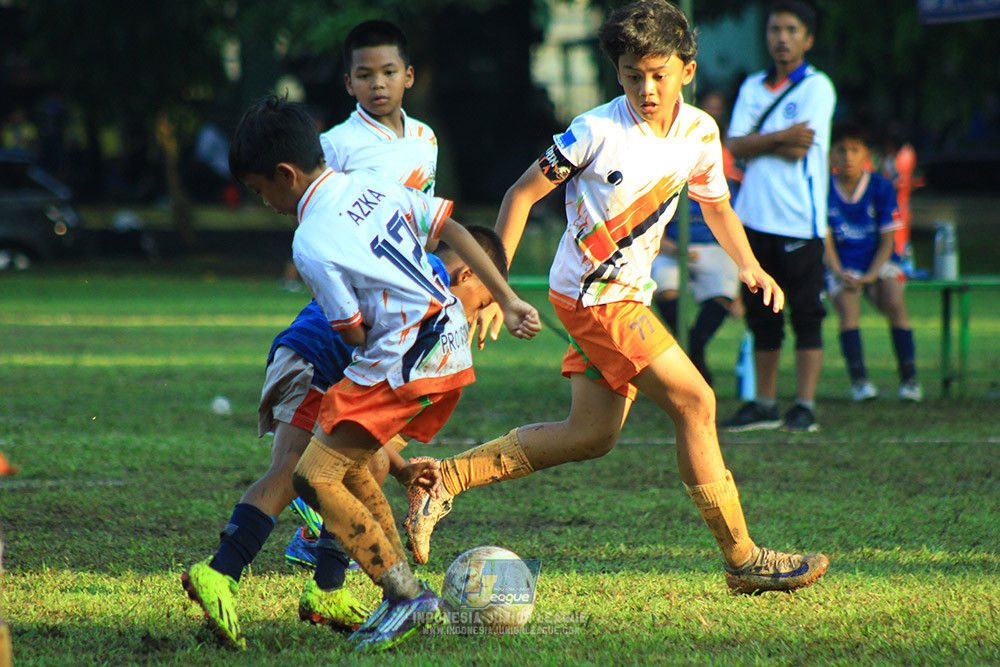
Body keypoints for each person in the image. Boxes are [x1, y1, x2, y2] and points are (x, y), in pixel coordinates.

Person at [404, 0, 828, 597]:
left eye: (658, 74)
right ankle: (743, 558)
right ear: (618, 74)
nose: (646, 89)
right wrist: (497, 289)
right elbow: (521, 196)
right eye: (633, 77)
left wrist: (750, 265)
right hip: (594, 299)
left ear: (687, 68)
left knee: (592, 434)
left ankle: (443, 479)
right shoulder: (594, 132)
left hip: (625, 296)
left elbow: (717, 206)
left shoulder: (700, 133)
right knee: (696, 403)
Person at [220, 95, 540, 652]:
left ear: (284, 175)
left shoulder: (310, 239)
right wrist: (508, 299)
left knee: (311, 478)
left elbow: (349, 331)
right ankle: (400, 590)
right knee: (347, 464)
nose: (264, 203)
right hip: (445, 344)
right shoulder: (370, 186)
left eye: (259, 191)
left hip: (402, 354)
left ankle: (404, 597)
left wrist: (376, 360)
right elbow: (458, 230)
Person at [181, 225, 507, 650]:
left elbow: (369, 415)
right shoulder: (426, 283)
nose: (470, 317)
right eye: (479, 303)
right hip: (316, 360)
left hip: (327, 365)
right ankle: (221, 571)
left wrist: (403, 468)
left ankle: (328, 590)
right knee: (290, 473)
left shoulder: (419, 276)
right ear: (465, 274)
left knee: (366, 464)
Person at [279, 18, 447, 557]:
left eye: (389, 72)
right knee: (354, 420)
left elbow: (423, 223)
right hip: (359, 302)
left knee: (378, 419)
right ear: (348, 83)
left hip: (408, 298)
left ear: (409, 76)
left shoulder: (425, 139)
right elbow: (317, 221)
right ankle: (326, 529)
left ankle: (336, 535)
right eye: (365, 74)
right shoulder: (336, 145)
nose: (378, 83)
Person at [720, 0, 836, 433]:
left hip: (799, 222)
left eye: (791, 29)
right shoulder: (752, 85)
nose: (781, 37)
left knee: (806, 314)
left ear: (807, 38)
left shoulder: (817, 86)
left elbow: (800, 148)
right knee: (760, 314)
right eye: (774, 29)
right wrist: (780, 137)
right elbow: (734, 144)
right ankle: (764, 402)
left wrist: (761, 140)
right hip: (752, 219)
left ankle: (804, 403)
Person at [824, 120, 922, 402]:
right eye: (841, 150)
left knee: (893, 299)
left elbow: (888, 240)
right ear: (831, 155)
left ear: (866, 154)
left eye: (855, 150)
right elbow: (825, 239)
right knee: (847, 305)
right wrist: (839, 271)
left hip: (879, 262)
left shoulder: (880, 187)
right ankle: (860, 382)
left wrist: (871, 275)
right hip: (843, 265)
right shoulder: (824, 188)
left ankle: (910, 379)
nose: (848, 157)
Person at [651, 90, 743, 387]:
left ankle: (694, 349)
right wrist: (671, 247)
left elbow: (728, 212)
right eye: (709, 108)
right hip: (670, 245)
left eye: (719, 109)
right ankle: (695, 356)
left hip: (712, 245)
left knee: (723, 288)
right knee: (662, 284)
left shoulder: (728, 160)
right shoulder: (665, 152)